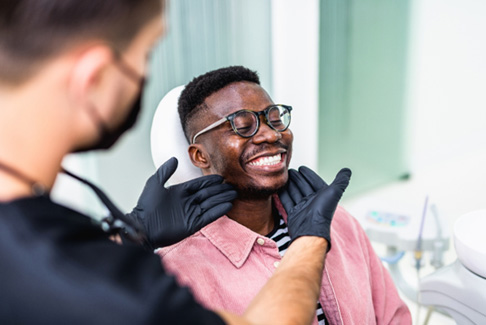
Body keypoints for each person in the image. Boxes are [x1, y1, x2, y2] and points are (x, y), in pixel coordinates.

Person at [0, 1, 351, 324]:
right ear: (94, 76)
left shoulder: (37, 250)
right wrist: (309, 240)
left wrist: (130, 234)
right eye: (146, 54)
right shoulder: (121, 288)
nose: (268, 135)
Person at [156, 66, 412, 325]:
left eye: (275, 119)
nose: (271, 134)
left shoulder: (335, 222)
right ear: (200, 155)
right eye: (243, 125)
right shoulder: (175, 274)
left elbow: (394, 318)